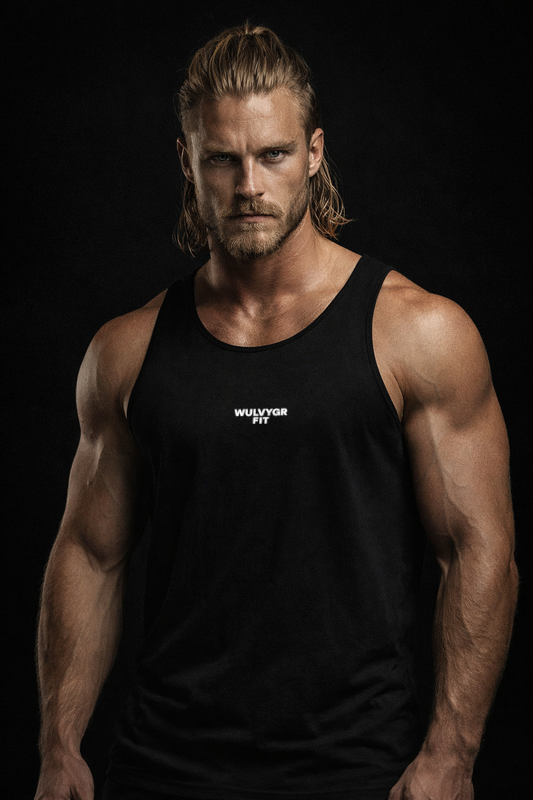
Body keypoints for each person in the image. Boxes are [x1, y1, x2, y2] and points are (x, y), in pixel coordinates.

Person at [35, 23, 518, 800]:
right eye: (221, 159)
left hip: (358, 767)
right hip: (165, 767)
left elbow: (476, 550)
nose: (248, 186)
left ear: (314, 153)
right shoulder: (126, 351)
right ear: (187, 161)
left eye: (273, 154)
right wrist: (58, 745)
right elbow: (90, 554)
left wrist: (450, 755)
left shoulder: (418, 333)